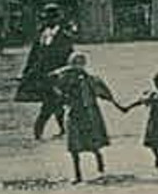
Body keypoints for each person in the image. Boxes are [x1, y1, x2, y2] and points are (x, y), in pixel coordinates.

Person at [48, 52, 121, 183]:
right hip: (73, 114)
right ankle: (78, 175)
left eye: (79, 64)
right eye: (75, 64)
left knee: (91, 144)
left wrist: (116, 103)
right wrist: (62, 95)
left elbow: (103, 91)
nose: (77, 68)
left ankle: (99, 162)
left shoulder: (89, 79)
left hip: (87, 115)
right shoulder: (65, 77)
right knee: (74, 148)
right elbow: (52, 79)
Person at [14, 3, 77, 140]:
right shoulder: (42, 34)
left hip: (57, 75)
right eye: (47, 18)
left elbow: (69, 57)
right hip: (42, 75)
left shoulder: (65, 36)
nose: (48, 21)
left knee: (50, 104)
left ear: (57, 19)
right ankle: (61, 130)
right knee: (56, 104)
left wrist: (67, 74)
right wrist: (26, 72)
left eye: (51, 18)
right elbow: (33, 55)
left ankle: (38, 133)